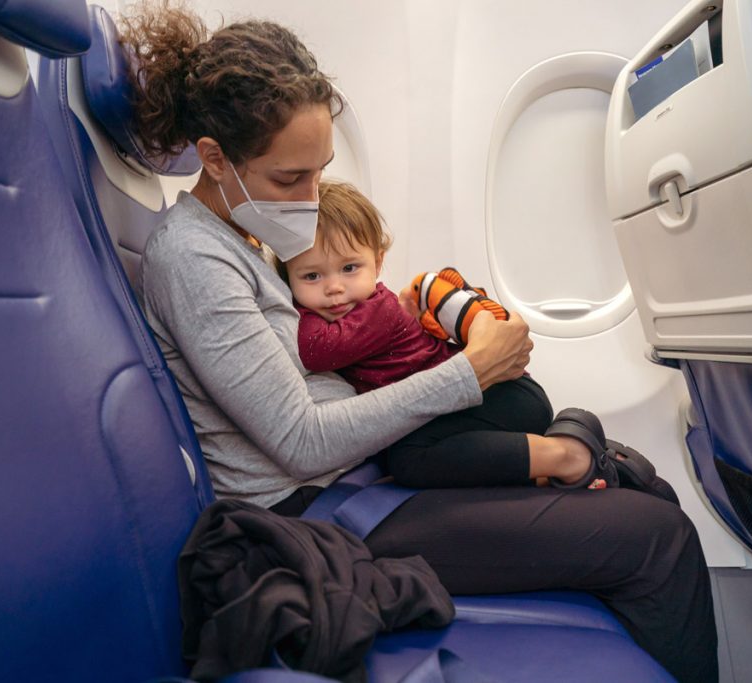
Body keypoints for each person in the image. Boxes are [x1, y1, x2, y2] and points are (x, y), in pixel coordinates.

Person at [122, 4, 717, 681]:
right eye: (290, 179)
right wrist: (470, 372)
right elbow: (299, 440)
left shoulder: (248, 238)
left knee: (637, 497)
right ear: (214, 158)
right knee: (659, 542)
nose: (312, 198)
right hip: (321, 512)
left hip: (367, 477)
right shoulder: (193, 258)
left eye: (319, 172)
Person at [283, 180, 663, 491]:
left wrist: (293, 304)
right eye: (311, 276)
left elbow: (316, 351)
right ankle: (554, 460)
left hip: (498, 397)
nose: (334, 288)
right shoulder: (351, 308)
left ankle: (570, 455)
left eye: (349, 268)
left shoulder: (378, 311)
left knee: (409, 459)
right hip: (473, 404)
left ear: (378, 262)